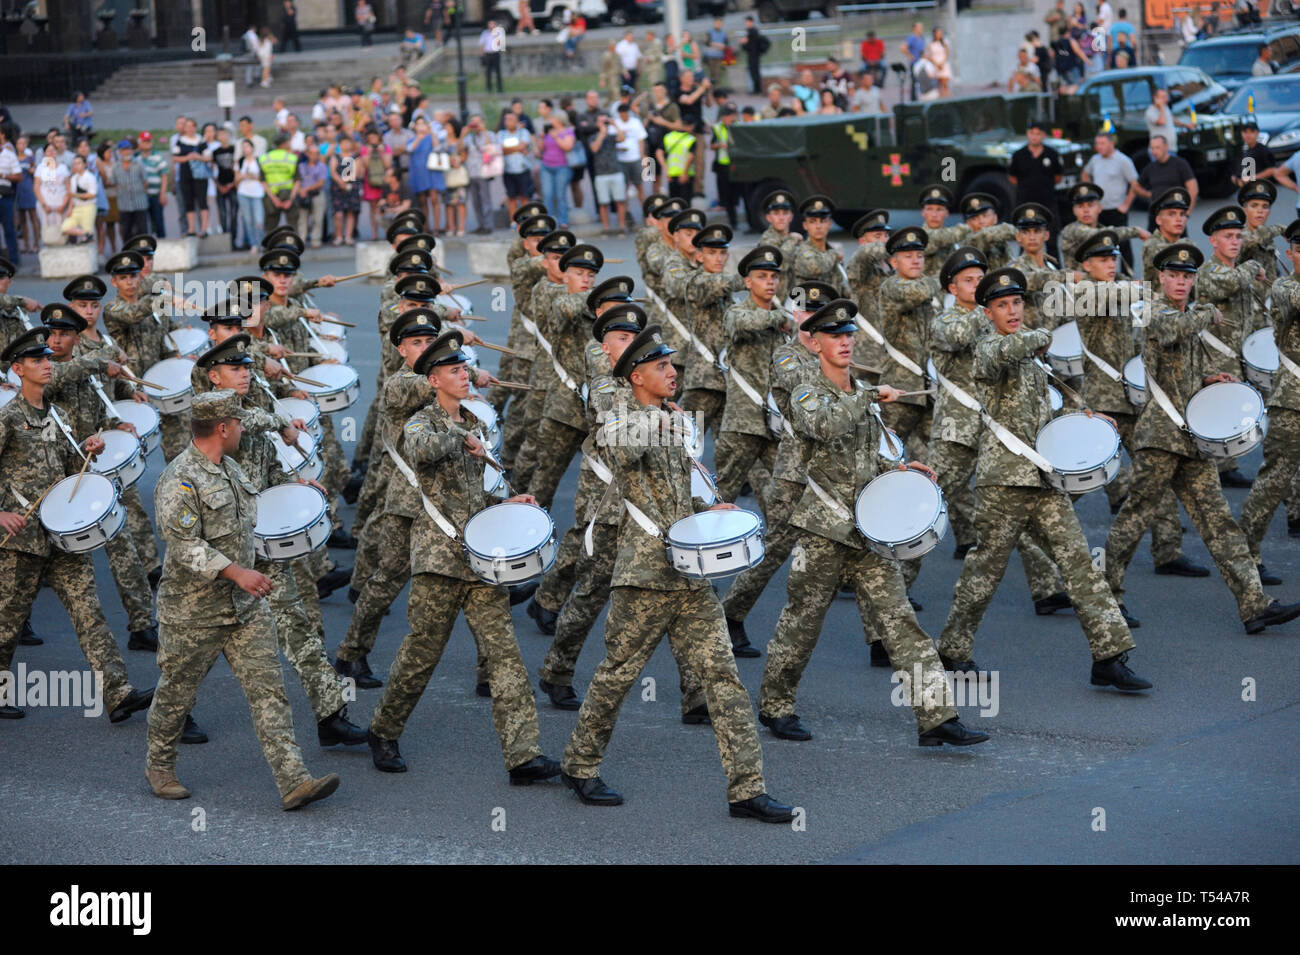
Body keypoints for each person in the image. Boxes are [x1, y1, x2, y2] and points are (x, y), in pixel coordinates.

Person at [556, 324, 794, 821]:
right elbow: (619, 450)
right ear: (636, 375)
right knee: (618, 675)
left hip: (690, 571)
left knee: (723, 677)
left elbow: (684, 482)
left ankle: (747, 789)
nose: (672, 373)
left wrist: (711, 506)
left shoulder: (676, 418)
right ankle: (579, 765)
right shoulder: (621, 415)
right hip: (643, 574)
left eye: (672, 365)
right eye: (662, 367)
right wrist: (661, 422)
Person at [755, 295, 990, 745]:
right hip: (823, 528)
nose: (845, 342)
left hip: (866, 529)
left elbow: (863, 458)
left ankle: (937, 718)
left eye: (849, 334)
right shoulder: (807, 389)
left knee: (901, 621)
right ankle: (775, 705)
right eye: (834, 336)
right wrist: (865, 397)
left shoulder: (858, 392)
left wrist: (899, 469)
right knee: (802, 621)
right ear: (814, 342)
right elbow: (824, 428)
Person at [363, 330, 560, 786]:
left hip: (479, 558)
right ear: (433, 380)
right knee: (421, 653)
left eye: (465, 368)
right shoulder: (422, 421)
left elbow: (474, 497)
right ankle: (383, 730)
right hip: (437, 558)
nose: (465, 375)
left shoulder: (475, 423)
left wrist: (508, 505)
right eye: (455, 371)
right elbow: (423, 452)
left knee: (505, 657)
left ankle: (523, 755)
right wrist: (460, 436)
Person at [143, 389, 340, 807]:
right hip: (193, 612)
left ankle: (294, 780)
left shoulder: (231, 468)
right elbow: (184, 547)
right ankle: (159, 765)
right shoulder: (179, 480)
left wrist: (296, 488)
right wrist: (237, 573)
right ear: (222, 428)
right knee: (177, 692)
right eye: (238, 423)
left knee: (269, 690)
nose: (244, 428)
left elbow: (260, 503)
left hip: (244, 608)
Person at [1105, 240, 1300, 633]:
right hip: (1159, 439)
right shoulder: (1154, 310)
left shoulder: (1188, 312)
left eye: (1187, 276)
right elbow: (1171, 330)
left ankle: (1254, 604)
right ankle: (1107, 603)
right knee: (1135, 517)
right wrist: (1208, 312)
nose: (1180, 282)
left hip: (1191, 440)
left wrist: (1209, 377)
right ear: (1161, 277)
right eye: (1174, 275)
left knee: (1219, 522)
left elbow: (1180, 366)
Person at [0, 326, 156, 723]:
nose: (47, 365)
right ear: (18, 369)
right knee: (7, 623)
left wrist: (88, 449)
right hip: (21, 540)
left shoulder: (57, 413)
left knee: (90, 614)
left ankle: (117, 693)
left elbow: (73, 471)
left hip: (63, 535)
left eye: (48, 359)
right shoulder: (8, 418)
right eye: (37, 360)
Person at [1082, 130, 1140, 265]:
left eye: (1102, 143)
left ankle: (1128, 276)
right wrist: (1090, 195)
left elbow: (1134, 184)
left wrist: (1126, 204)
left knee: (1123, 244)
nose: (1099, 146)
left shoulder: (1123, 160)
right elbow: (1085, 173)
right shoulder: (1095, 159)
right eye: (1097, 143)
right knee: (1099, 243)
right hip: (1099, 210)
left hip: (1116, 210)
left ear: (1111, 143)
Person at [1134, 135, 1197, 232]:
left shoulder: (1180, 164)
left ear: (1166, 147)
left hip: (1175, 215)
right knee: (1153, 246)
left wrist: (1187, 212)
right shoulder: (1150, 168)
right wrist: (1149, 194)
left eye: (1157, 148)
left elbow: (1193, 188)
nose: (1154, 151)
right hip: (1155, 216)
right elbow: (1136, 187)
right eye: (1152, 148)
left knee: (1179, 246)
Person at [1008, 120, 1063, 216]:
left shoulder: (1052, 154)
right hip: (1024, 201)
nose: (1034, 136)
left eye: (1038, 134)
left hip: (1047, 201)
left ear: (1043, 135)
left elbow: (1058, 177)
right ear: (1027, 133)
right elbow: (1012, 177)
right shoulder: (1018, 155)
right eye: (1031, 133)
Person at [113, 140, 150, 252]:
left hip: (140, 202)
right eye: (124, 149)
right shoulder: (116, 167)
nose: (127, 152)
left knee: (142, 230)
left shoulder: (139, 163)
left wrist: (139, 190)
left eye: (129, 149)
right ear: (119, 151)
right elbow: (115, 183)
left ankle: (144, 253)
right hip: (124, 204)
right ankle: (128, 253)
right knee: (126, 230)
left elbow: (145, 181)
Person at [234, 138, 266, 253]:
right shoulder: (240, 161)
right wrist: (243, 176)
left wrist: (253, 176)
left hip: (257, 193)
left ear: (252, 148)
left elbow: (263, 178)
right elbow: (236, 179)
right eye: (243, 147)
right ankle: (253, 244)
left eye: (247, 147)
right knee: (248, 220)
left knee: (259, 220)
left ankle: (262, 242)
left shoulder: (259, 160)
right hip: (243, 193)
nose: (245, 149)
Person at [0, 127, 21, 264]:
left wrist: (3, 175)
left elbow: (19, 176)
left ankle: (13, 261)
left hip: (5, 197)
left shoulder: (9, 155)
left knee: (9, 229)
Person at [740, 17, 767, 95]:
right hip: (752, 54)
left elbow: (753, 44)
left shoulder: (753, 32)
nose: (747, 24)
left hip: (754, 55)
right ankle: (756, 89)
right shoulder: (751, 32)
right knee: (753, 72)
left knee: (755, 72)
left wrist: (745, 42)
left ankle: (757, 89)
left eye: (748, 22)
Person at [479, 20, 505, 94]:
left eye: (493, 25)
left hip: (495, 54)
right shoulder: (485, 33)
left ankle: (500, 88)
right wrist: (482, 54)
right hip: (488, 54)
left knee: (498, 72)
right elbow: (482, 44)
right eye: (490, 24)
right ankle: (489, 88)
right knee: (488, 73)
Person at [928, 26, 952, 98]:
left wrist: (941, 64)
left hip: (943, 65)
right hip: (936, 65)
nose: (939, 34)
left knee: (945, 84)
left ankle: (948, 99)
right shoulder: (931, 45)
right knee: (939, 85)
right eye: (938, 33)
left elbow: (947, 54)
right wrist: (936, 64)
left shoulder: (945, 43)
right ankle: (940, 99)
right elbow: (930, 56)